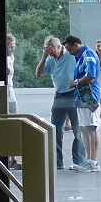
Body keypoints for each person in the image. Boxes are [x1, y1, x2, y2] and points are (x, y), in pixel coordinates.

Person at [41, 33, 96, 170]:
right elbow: (39, 74)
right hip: (59, 95)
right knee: (55, 130)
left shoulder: (72, 55)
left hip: (73, 94)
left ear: (58, 46)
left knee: (78, 129)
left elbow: (87, 69)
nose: (51, 54)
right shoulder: (50, 59)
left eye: (51, 51)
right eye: (48, 51)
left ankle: (78, 161)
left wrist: (80, 83)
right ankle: (57, 162)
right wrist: (44, 57)